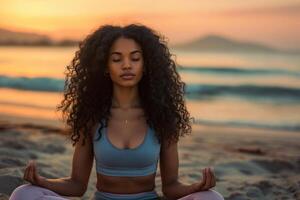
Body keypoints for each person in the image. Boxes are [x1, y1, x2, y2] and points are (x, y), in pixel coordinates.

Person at [9, 23, 224, 200]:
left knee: (212, 197)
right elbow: (77, 185)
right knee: (24, 193)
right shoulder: (91, 116)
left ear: (146, 65)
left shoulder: (162, 116)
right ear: (105, 66)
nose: (127, 65)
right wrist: (43, 182)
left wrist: (197, 187)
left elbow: (170, 187)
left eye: (135, 58)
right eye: (117, 59)